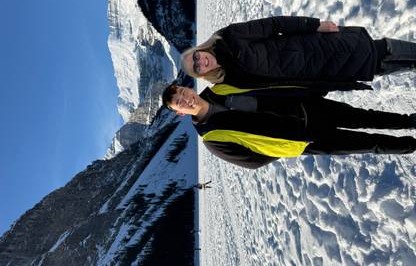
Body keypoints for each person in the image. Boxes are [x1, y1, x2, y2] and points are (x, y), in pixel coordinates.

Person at [162, 83, 416, 169]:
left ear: (188, 88)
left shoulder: (220, 88)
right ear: (180, 113)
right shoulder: (212, 137)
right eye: (179, 102)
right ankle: (410, 146)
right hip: (304, 140)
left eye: (182, 92)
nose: (186, 98)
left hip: (307, 107)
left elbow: (263, 86)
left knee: (366, 116)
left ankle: (408, 121)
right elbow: (252, 161)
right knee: (368, 144)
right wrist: (282, 145)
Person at [181, 16, 416, 93]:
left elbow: (274, 24)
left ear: (200, 49)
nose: (201, 62)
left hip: (314, 45)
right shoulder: (228, 79)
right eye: (198, 67)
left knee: (373, 49)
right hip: (314, 73)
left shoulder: (229, 37)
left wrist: (314, 25)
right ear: (203, 74)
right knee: (372, 68)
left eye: (196, 57)